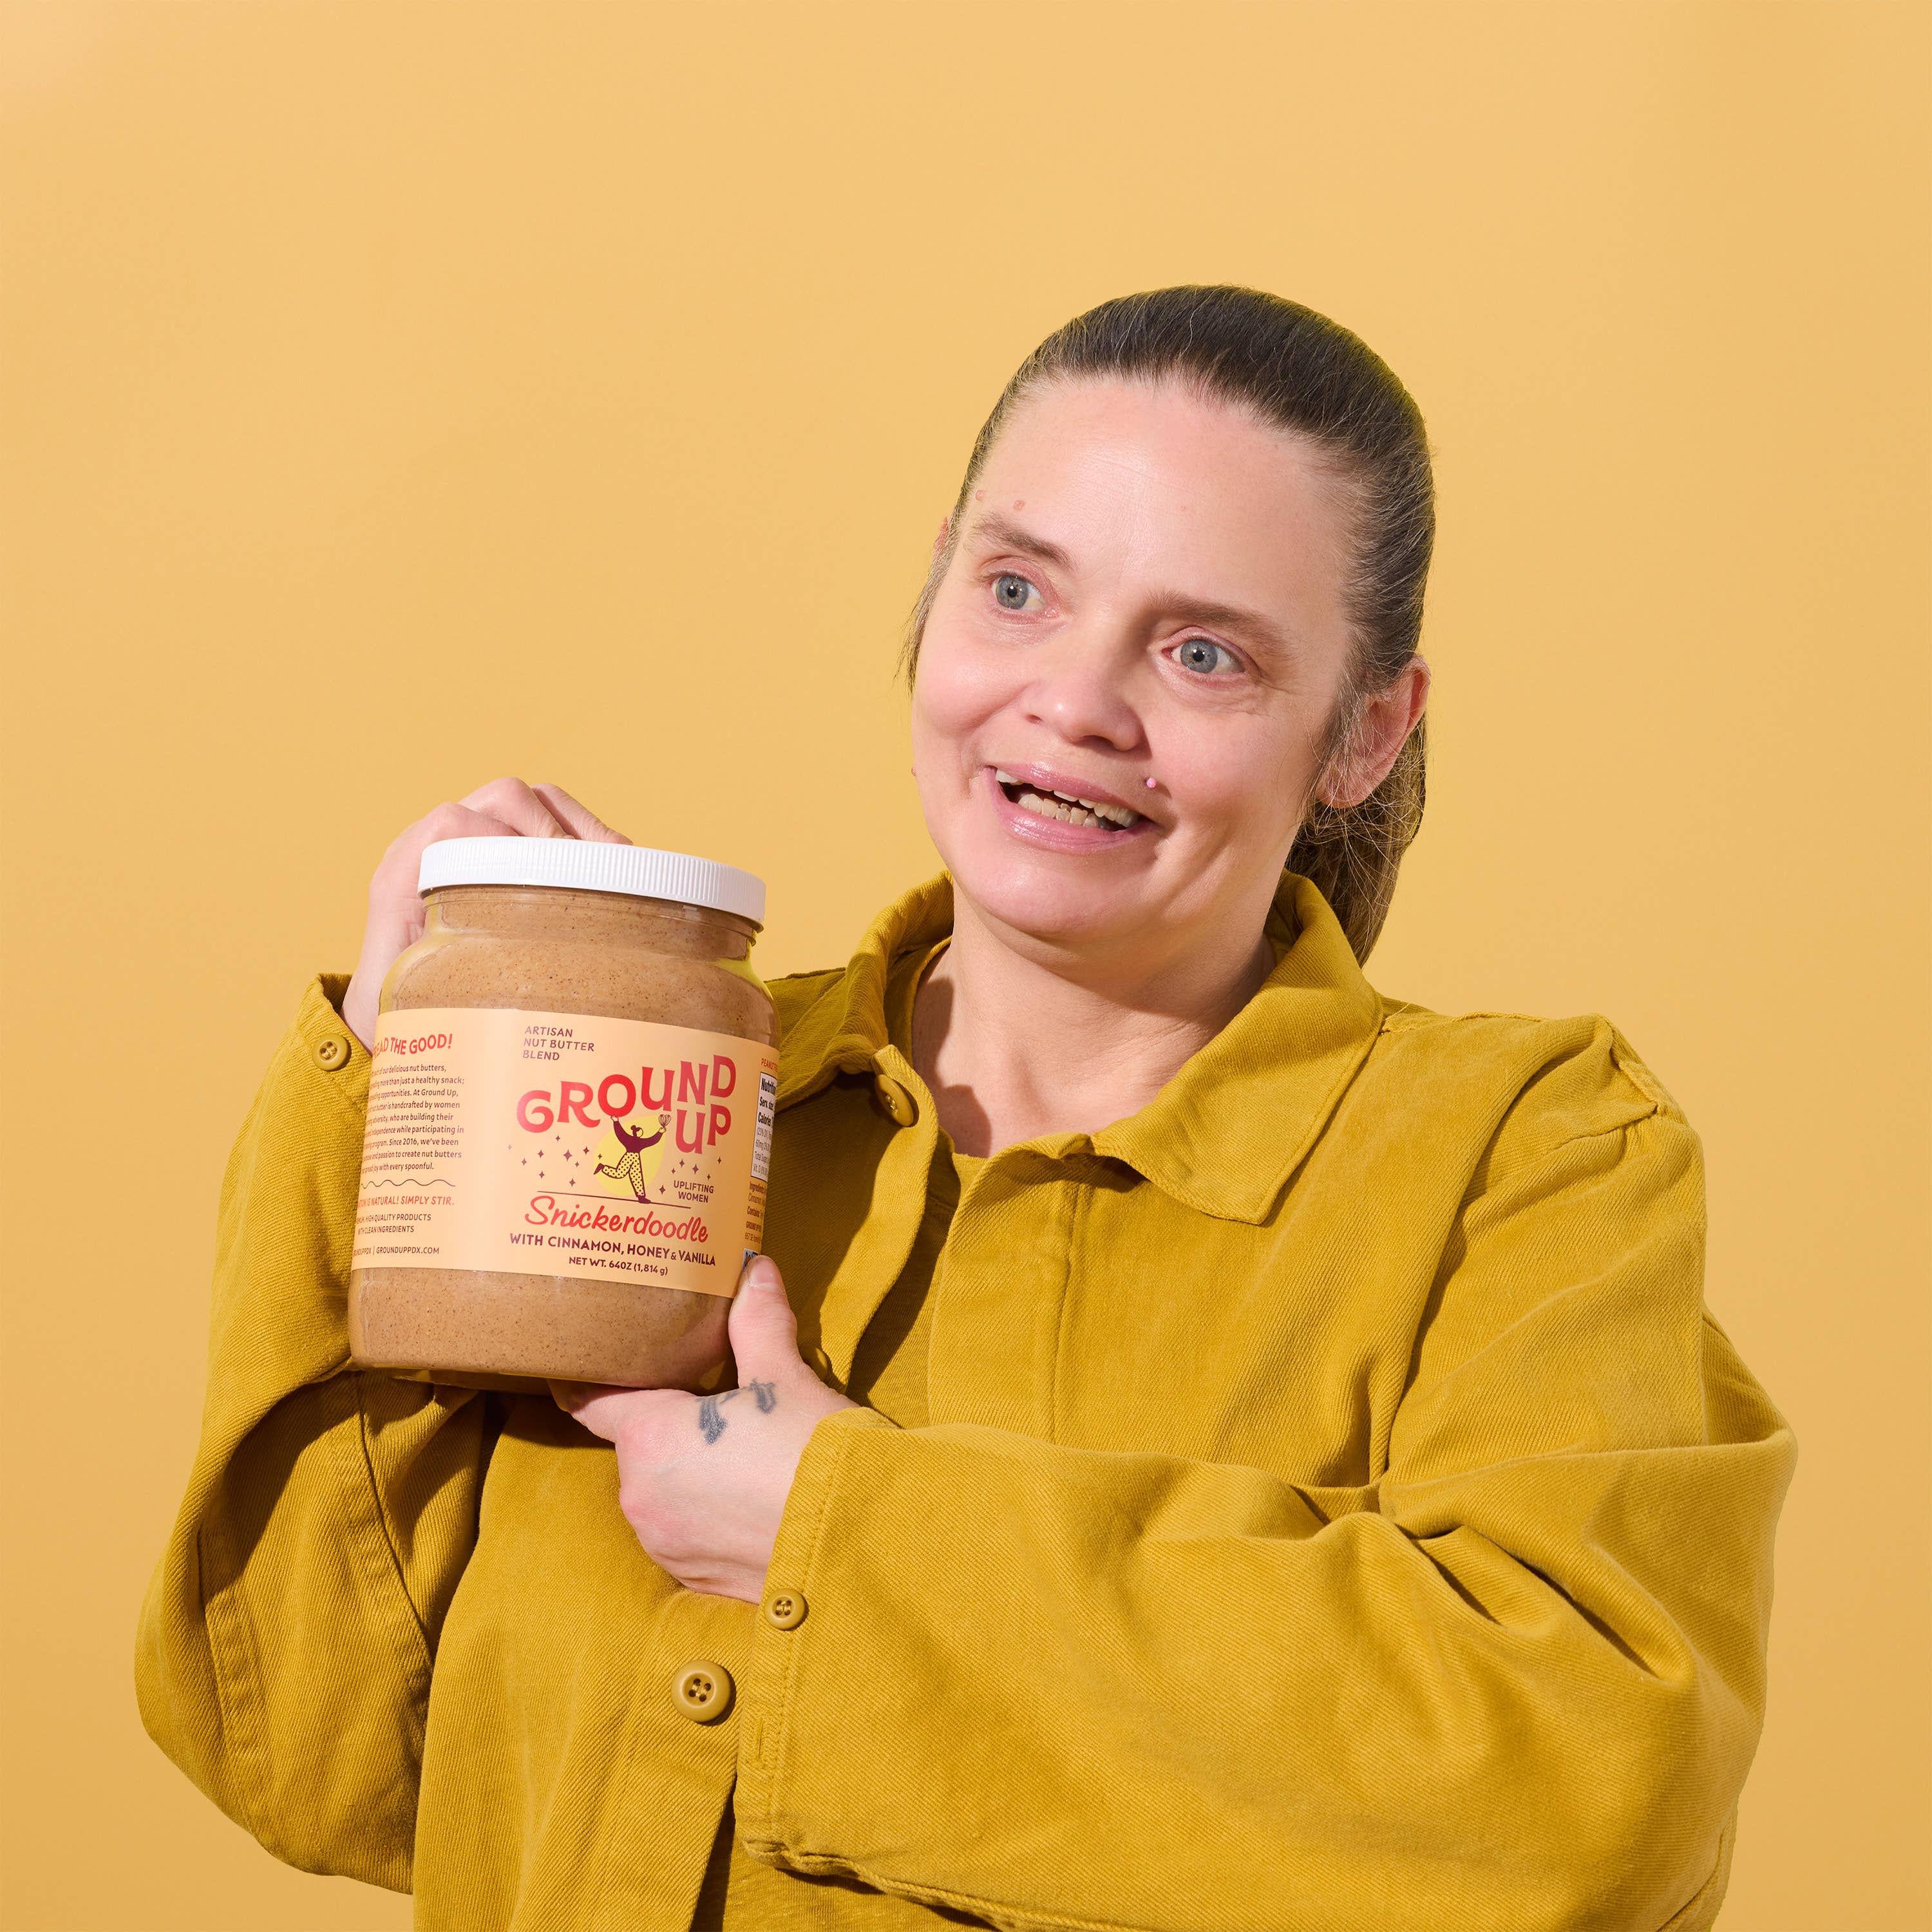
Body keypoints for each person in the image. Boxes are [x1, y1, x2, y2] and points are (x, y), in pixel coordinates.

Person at [136, 286, 1795, 1931]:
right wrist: (396, 1070)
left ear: (1363, 734)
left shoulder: (1525, 1159)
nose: (1073, 702)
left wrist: (834, 1537)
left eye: (1202, 652)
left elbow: (1586, 1793)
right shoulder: (636, 1116)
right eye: (1016, 590)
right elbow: (314, 1749)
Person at [598, 1108, 672, 1200]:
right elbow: (620, 1133)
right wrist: (616, 1121)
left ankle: (641, 1197)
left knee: (637, 1177)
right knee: (620, 1174)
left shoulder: (639, 1141)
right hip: (629, 1157)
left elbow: (652, 1141)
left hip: (636, 1158)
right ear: (636, 1133)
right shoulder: (630, 1139)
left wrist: (660, 1132)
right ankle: (603, 1167)